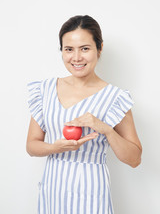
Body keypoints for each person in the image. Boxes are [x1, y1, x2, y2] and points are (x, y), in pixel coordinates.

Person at [26, 15, 142, 214]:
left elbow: (134, 159)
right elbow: (31, 145)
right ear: (61, 50)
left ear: (100, 48)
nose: (76, 58)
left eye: (85, 49)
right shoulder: (45, 90)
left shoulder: (114, 97)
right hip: (53, 188)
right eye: (69, 49)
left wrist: (106, 129)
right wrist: (55, 147)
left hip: (91, 192)